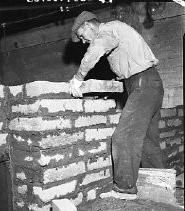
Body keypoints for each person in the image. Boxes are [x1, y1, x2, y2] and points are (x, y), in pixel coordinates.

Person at [69, 11, 165, 199]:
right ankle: (160, 187)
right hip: (150, 83)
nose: (83, 41)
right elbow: (126, 68)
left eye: (81, 35)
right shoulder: (117, 32)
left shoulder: (108, 30)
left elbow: (95, 50)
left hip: (142, 84)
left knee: (122, 137)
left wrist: (78, 78)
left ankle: (124, 188)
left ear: (89, 25)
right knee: (147, 140)